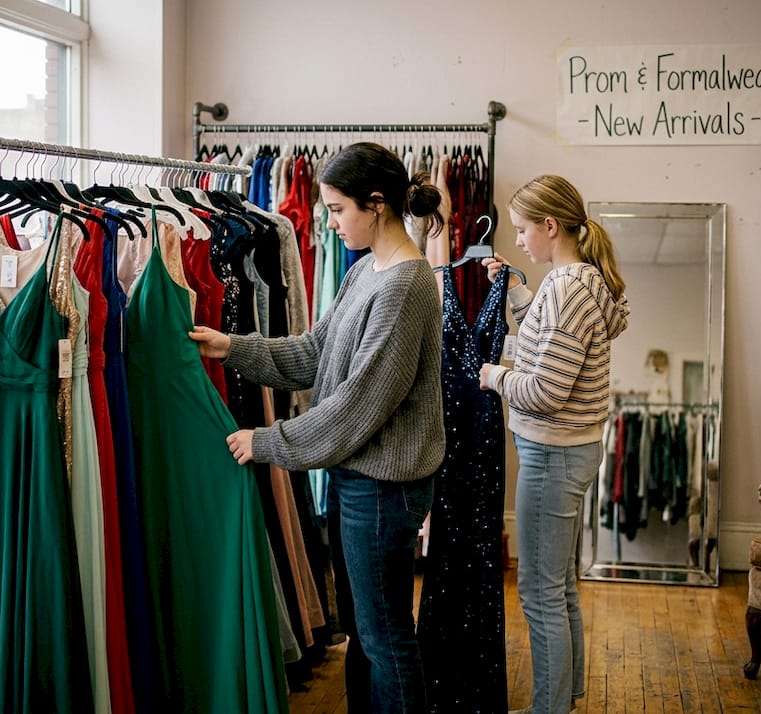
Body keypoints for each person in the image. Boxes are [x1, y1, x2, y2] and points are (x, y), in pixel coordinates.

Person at [189, 142, 446, 714]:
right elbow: (315, 352)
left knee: (385, 639)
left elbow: (358, 405)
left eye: (336, 209)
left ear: (376, 204)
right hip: (361, 482)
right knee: (368, 634)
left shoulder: (404, 285)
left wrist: (267, 442)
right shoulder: (365, 273)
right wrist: (232, 346)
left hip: (383, 489)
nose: (328, 225)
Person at [478, 175, 630, 714]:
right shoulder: (575, 283)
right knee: (558, 586)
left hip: (553, 453)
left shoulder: (566, 289)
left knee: (540, 595)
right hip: (569, 450)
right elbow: (543, 344)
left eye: (522, 230)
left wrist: (491, 375)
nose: (518, 241)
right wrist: (520, 293)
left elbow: (543, 388)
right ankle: (563, 699)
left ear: (549, 226)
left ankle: (550, 707)